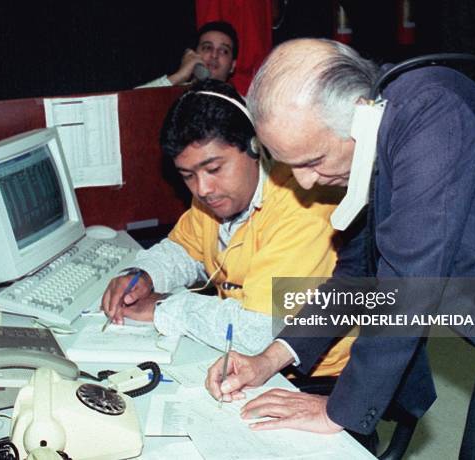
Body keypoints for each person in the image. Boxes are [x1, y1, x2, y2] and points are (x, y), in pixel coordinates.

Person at [205, 38, 475, 459]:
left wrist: (340, 412)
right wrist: (269, 358)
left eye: (312, 160)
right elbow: (359, 276)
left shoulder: (431, 113)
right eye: (288, 164)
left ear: (358, 115)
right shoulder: (380, 131)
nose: (304, 182)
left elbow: (408, 285)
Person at [102, 78, 354, 378]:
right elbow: (183, 251)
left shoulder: (303, 207)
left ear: (254, 147)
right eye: (188, 175)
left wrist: (164, 307)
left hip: (312, 377)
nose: (203, 189)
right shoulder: (216, 199)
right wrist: (143, 275)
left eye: (214, 169)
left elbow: (260, 331)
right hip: (243, 355)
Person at [137, 21, 238, 88]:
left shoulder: (243, 107)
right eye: (207, 47)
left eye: (224, 51)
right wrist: (179, 76)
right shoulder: (174, 93)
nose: (214, 55)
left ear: (232, 66)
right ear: (192, 55)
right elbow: (126, 106)